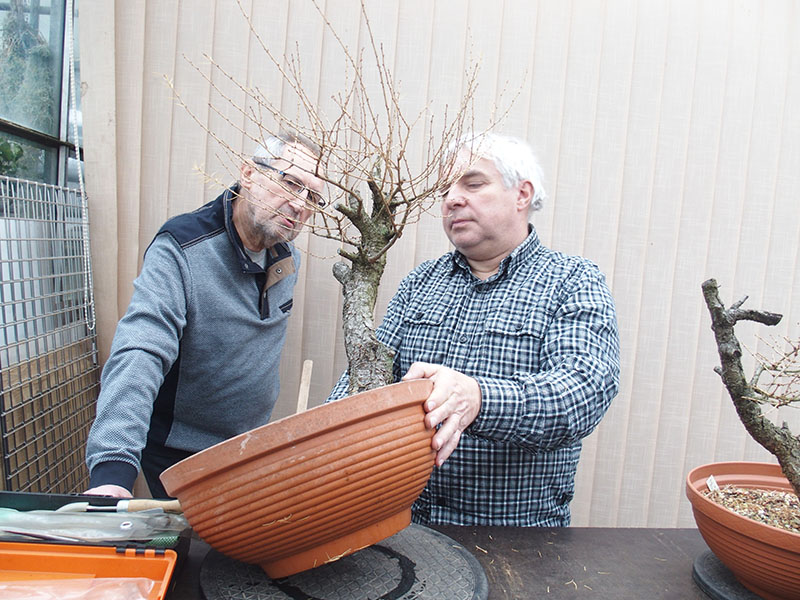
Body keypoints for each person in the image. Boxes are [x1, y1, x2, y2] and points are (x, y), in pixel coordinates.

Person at [327, 132, 620, 526]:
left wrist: (478, 399)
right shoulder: (420, 283)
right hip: (407, 528)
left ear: (522, 194)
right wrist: (322, 437)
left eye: (473, 183)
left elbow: (583, 393)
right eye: (444, 190)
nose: (452, 199)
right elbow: (368, 376)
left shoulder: (571, 281)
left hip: (517, 537)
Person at [85, 130, 326, 499]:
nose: (300, 204)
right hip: (183, 451)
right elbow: (141, 350)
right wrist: (112, 471)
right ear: (249, 173)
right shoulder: (182, 247)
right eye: (291, 183)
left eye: (313, 196)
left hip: (247, 446)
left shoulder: (286, 256)